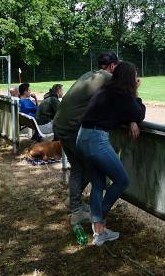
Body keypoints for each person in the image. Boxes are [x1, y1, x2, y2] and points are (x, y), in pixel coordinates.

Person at [76, 61, 146, 246]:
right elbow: (139, 113)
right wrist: (135, 94)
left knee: (98, 184)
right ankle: (98, 220)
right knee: (122, 180)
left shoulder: (107, 90)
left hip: (83, 136)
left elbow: (123, 113)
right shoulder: (122, 93)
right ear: (130, 78)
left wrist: (129, 119)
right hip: (95, 139)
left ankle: (99, 233)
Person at [52, 51, 119, 226]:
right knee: (92, 166)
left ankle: (73, 203)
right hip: (70, 128)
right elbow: (124, 89)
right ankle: (76, 210)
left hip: (61, 125)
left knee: (78, 166)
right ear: (112, 66)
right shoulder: (106, 76)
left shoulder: (91, 74)